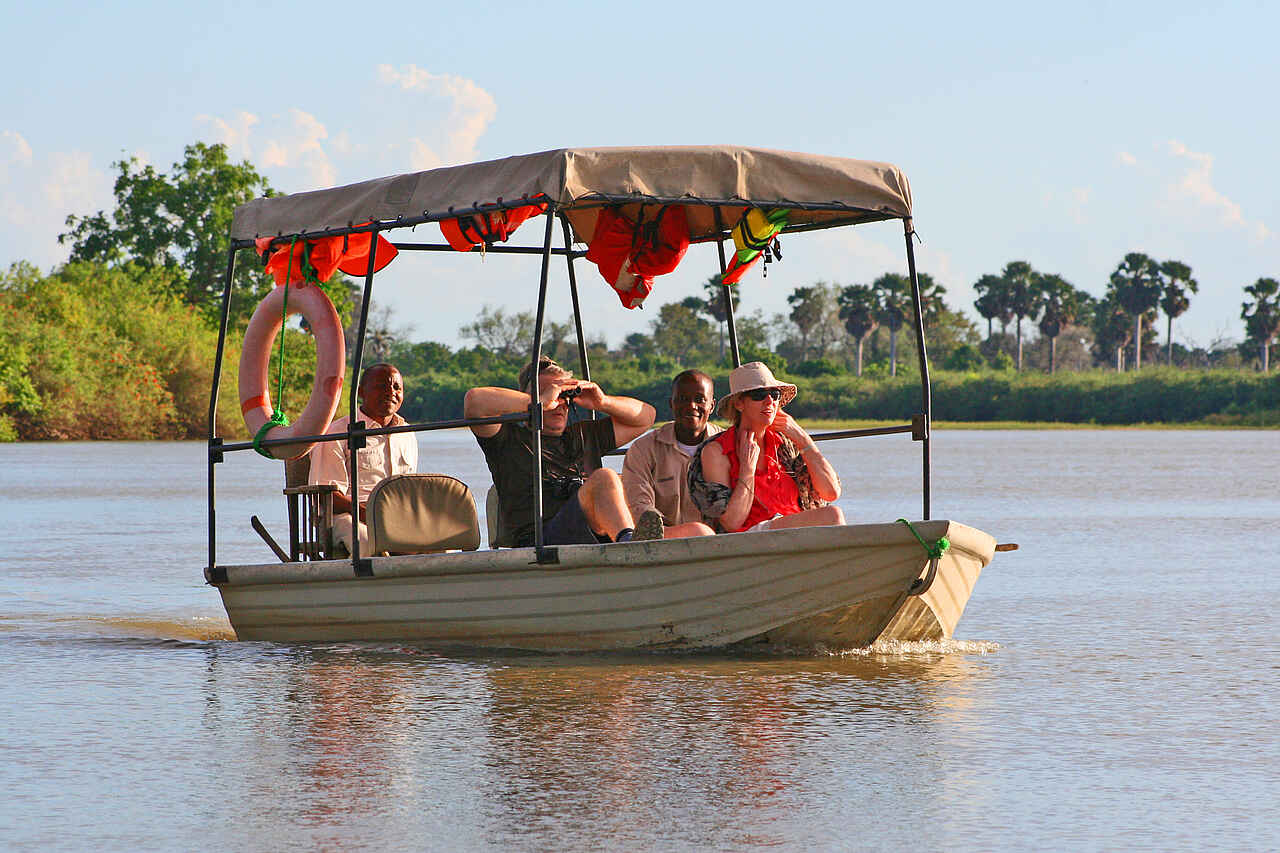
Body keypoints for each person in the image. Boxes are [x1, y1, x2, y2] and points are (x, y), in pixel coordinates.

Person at [464, 356, 660, 547]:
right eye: (551, 393)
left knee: (623, 484)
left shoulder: (583, 435)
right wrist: (539, 403)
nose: (559, 403)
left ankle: (631, 540)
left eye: (565, 396)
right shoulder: (507, 439)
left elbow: (646, 416)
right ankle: (629, 543)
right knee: (605, 477)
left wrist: (603, 402)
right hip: (540, 540)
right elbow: (475, 402)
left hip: (593, 532)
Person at [690, 361, 844, 533]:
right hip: (750, 538)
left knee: (833, 516)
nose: (769, 401)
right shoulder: (718, 451)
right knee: (832, 516)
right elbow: (731, 523)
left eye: (775, 394)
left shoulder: (786, 444)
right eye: (759, 395)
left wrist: (803, 439)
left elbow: (831, 493)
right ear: (739, 403)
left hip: (794, 531)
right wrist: (747, 470)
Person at [309, 362, 418, 553]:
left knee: (442, 540)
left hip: (395, 516)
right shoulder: (336, 433)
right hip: (345, 517)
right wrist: (366, 513)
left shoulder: (406, 433)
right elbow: (324, 496)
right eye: (381, 386)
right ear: (361, 392)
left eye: (397, 387)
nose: (390, 392)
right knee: (366, 540)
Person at [621, 370, 718, 538]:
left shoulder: (727, 445)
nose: (691, 405)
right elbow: (639, 506)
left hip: (720, 543)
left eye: (700, 399)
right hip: (665, 542)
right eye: (683, 399)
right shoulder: (643, 449)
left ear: (712, 405)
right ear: (671, 403)